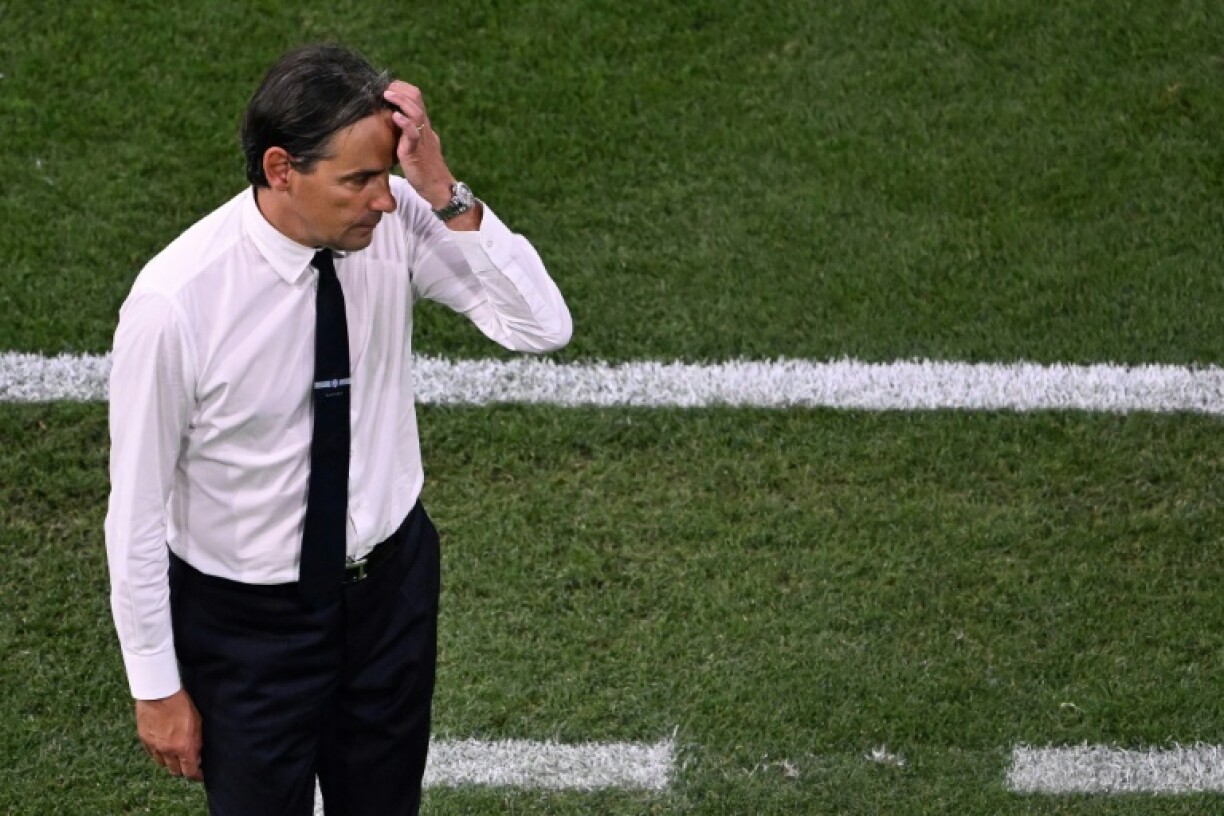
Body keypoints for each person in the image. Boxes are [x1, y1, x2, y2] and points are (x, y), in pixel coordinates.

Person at [104, 42, 571, 815]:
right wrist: (155, 685)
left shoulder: (396, 221)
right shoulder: (176, 305)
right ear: (282, 169)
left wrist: (445, 191)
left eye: (386, 176)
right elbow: (136, 511)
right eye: (358, 180)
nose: (383, 201)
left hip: (389, 594)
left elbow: (541, 325)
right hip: (249, 625)